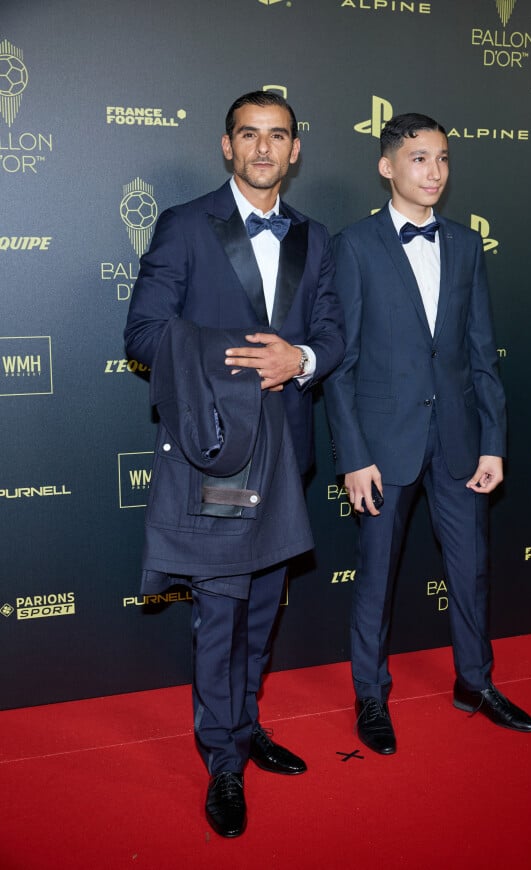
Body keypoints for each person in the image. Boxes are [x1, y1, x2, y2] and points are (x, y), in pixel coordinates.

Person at [124, 90, 344, 837]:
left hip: (288, 455)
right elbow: (146, 333)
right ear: (227, 146)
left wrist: (302, 358)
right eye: (248, 135)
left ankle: (245, 728)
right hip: (217, 448)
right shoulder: (185, 226)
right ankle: (221, 760)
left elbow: (333, 336)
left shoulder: (315, 237)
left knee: (259, 613)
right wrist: (249, 364)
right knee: (220, 611)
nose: (262, 149)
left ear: (295, 151)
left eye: (276, 136)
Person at [324, 112, 531, 757]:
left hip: (459, 439)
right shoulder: (354, 244)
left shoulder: (468, 244)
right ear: (388, 167)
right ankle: (370, 694)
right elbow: (341, 363)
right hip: (384, 448)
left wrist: (493, 440)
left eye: (443, 158)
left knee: (471, 572)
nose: (435, 171)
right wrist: (354, 455)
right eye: (419, 158)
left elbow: (482, 352)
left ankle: (475, 683)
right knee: (376, 576)